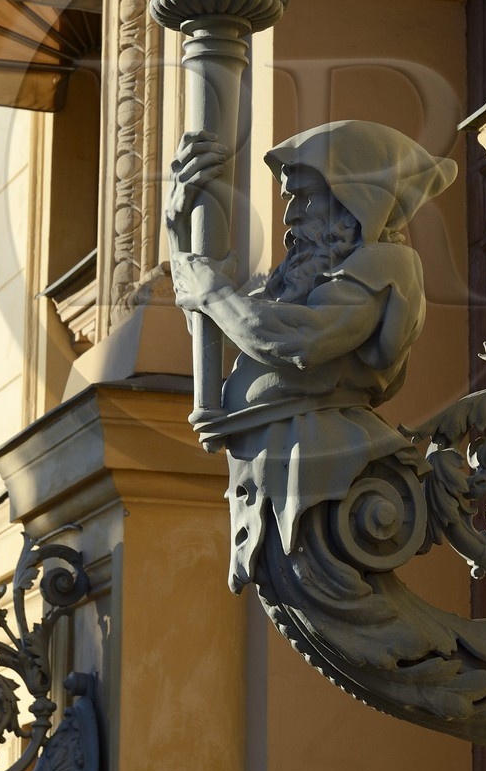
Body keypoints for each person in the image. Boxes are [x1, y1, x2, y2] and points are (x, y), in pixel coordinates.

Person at [166, 120, 457, 591]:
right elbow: (219, 330)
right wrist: (179, 222)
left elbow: (302, 341)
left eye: (304, 197)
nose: (288, 215)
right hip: (279, 464)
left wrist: (214, 292)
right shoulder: (299, 276)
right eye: (288, 199)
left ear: (354, 201)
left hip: (324, 465)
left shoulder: (385, 264)